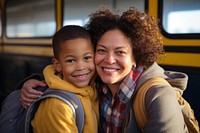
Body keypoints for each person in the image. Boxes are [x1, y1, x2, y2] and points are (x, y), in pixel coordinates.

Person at [19, 7, 188, 133]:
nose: (109, 60)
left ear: (136, 58)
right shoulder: (97, 84)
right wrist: (35, 85)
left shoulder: (157, 96)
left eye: (120, 52)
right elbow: (66, 74)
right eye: (101, 50)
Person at [27, 25, 99, 133]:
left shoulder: (92, 86)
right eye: (71, 61)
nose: (81, 67)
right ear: (57, 65)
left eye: (87, 58)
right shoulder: (58, 105)